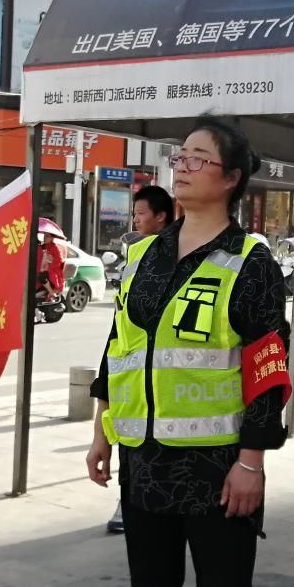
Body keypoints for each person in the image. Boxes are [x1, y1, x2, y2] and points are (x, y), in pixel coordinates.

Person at [85, 117, 289, 587]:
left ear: (230, 179)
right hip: (144, 461)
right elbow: (118, 351)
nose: (183, 164)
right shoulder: (144, 253)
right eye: (181, 155)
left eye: (199, 158)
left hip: (216, 467)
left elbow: (267, 371)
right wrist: (101, 430)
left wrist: (251, 461)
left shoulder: (250, 260)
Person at [106, 184, 175, 535]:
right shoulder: (134, 259)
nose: (135, 220)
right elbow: (117, 332)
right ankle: (126, 501)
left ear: (161, 216)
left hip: (165, 400)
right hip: (130, 393)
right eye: (134, 214)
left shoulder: (179, 257)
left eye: (141, 214)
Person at [36, 231, 66, 300]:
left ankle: (51, 292)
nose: (44, 238)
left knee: (41, 277)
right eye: (44, 236)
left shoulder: (54, 248)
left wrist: (51, 261)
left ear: (52, 238)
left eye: (47, 236)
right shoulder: (44, 246)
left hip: (53, 271)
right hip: (44, 268)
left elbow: (59, 260)